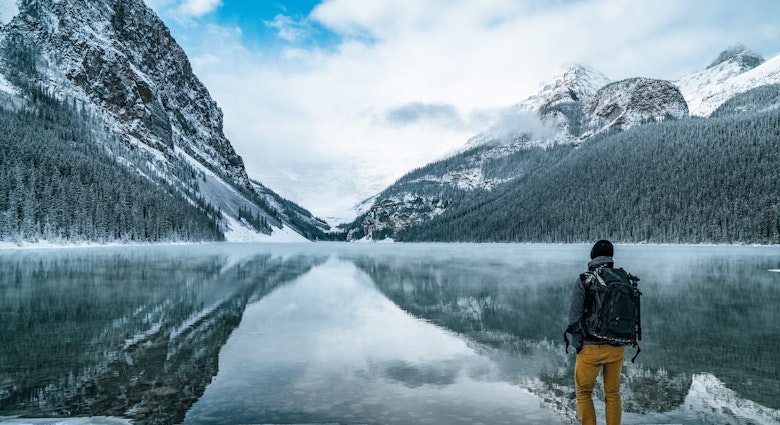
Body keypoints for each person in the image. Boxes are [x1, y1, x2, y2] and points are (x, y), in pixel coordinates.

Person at [567, 239, 625, 425]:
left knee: (583, 392)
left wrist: (579, 347)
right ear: (610, 257)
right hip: (617, 347)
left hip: (591, 349)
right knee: (613, 394)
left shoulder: (585, 279)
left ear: (592, 257)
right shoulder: (623, 279)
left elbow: (574, 319)